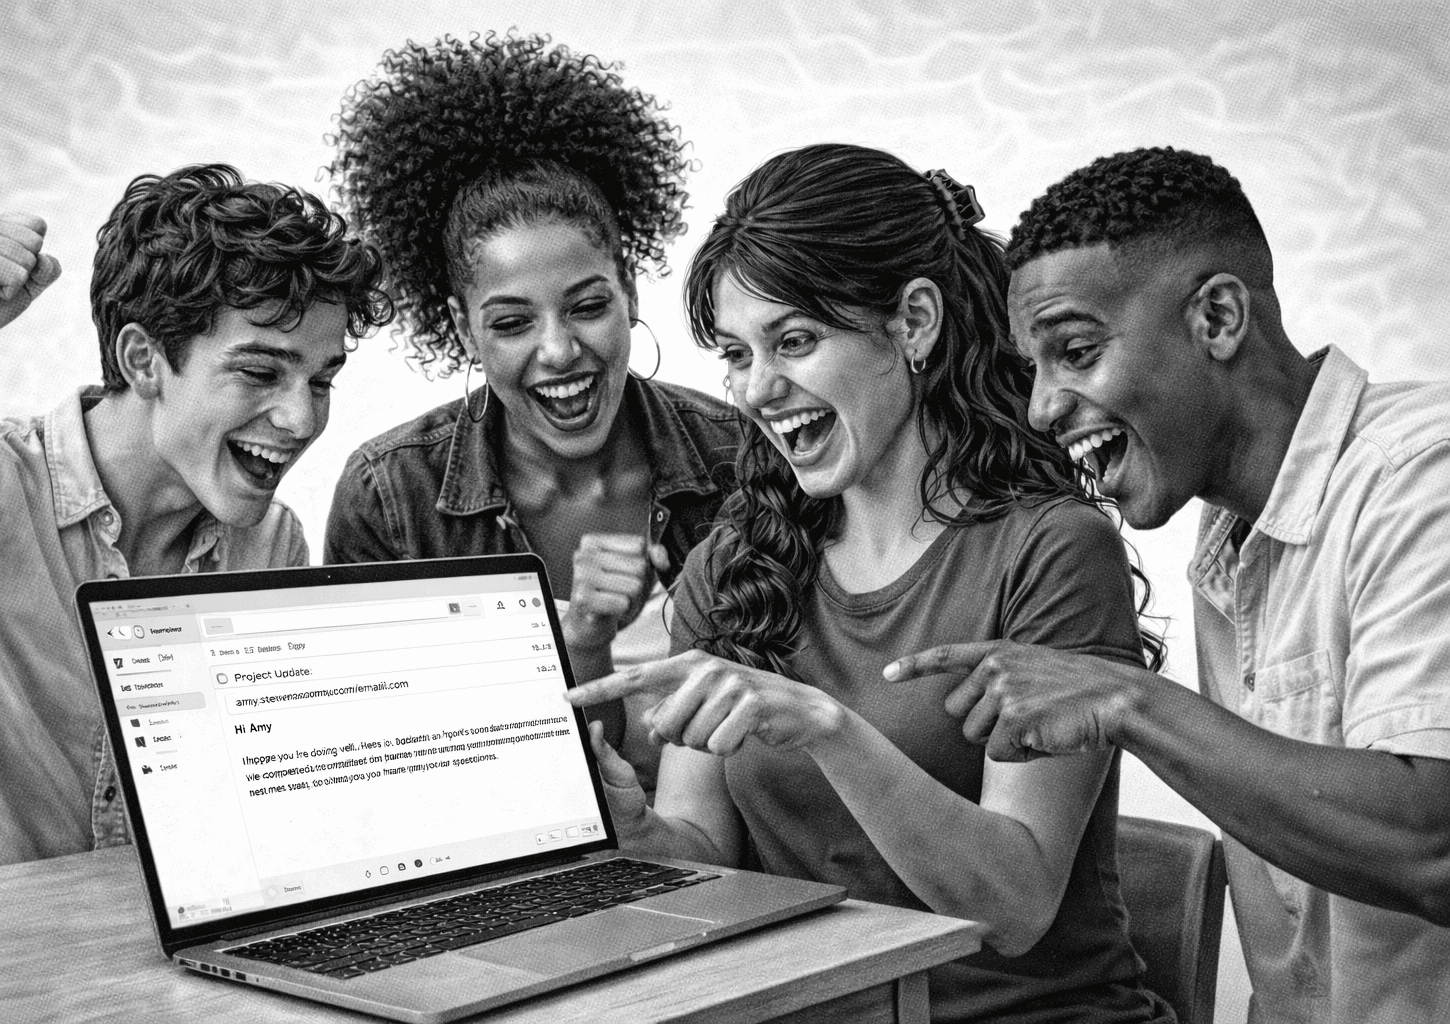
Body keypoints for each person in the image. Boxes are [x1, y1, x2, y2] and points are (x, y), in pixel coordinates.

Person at [568, 143, 1173, 1022]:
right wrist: (635, 836)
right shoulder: (731, 567)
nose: (757, 389)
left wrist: (827, 727)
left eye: (796, 340)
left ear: (914, 321)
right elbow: (704, 857)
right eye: (736, 354)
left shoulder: (1051, 552)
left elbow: (1017, 904)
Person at [889, 147, 1450, 1022]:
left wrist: (1128, 700)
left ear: (1218, 317)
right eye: (1034, 368)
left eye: (1075, 351)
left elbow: (1432, 845)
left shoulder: (1422, 477)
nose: (1041, 407)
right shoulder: (1227, 536)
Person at [0, 166, 391, 880]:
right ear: (144, 360)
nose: (302, 420)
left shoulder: (269, 543)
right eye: (261, 372)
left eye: (320, 381)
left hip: (160, 975)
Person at [324, 33, 738, 790]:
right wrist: (583, 640)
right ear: (460, 327)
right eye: (512, 323)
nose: (558, 351)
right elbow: (386, 771)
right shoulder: (393, 497)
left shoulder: (737, 459)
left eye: (586, 307)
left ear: (630, 295)